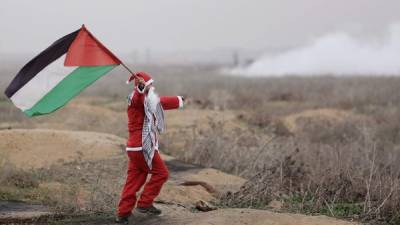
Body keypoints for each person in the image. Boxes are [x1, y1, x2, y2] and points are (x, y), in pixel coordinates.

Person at [116, 72, 184, 223]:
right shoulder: (136, 99)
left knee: (134, 180)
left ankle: (123, 213)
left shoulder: (148, 101)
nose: (153, 87)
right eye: (150, 85)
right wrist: (140, 88)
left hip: (134, 148)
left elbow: (161, 102)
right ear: (145, 86)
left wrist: (179, 100)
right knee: (162, 173)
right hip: (142, 146)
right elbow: (136, 98)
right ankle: (144, 204)